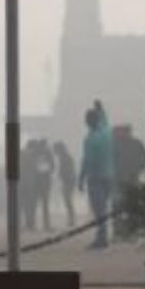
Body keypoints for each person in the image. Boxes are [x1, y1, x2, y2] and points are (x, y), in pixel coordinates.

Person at [77, 103, 114, 250]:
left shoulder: (90, 139)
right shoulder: (107, 132)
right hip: (109, 175)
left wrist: (81, 179)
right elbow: (105, 120)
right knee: (103, 207)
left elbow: (87, 161)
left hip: (96, 178)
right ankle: (102, 236)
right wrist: (101, 108)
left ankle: (102, 238)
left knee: (99, 210)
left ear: (87, 122)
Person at [29, 139, 56, 232]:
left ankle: (31, 224)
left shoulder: (34, 153)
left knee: (33, 204)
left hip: (35, 182)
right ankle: (46, 225)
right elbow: (52, 167)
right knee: (44, 204)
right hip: (44, 182)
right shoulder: (48, 153)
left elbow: (31, 167)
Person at [53, 141, 77, 228]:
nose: (55, 152)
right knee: (68, 201)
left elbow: (68, 170)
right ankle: (71, 219)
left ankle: (72, 219)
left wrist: (62, 175)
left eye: (55, 150)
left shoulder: (65, 158)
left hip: (68, 182)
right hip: (68, 181)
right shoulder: (65, 157)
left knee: (68, 201)